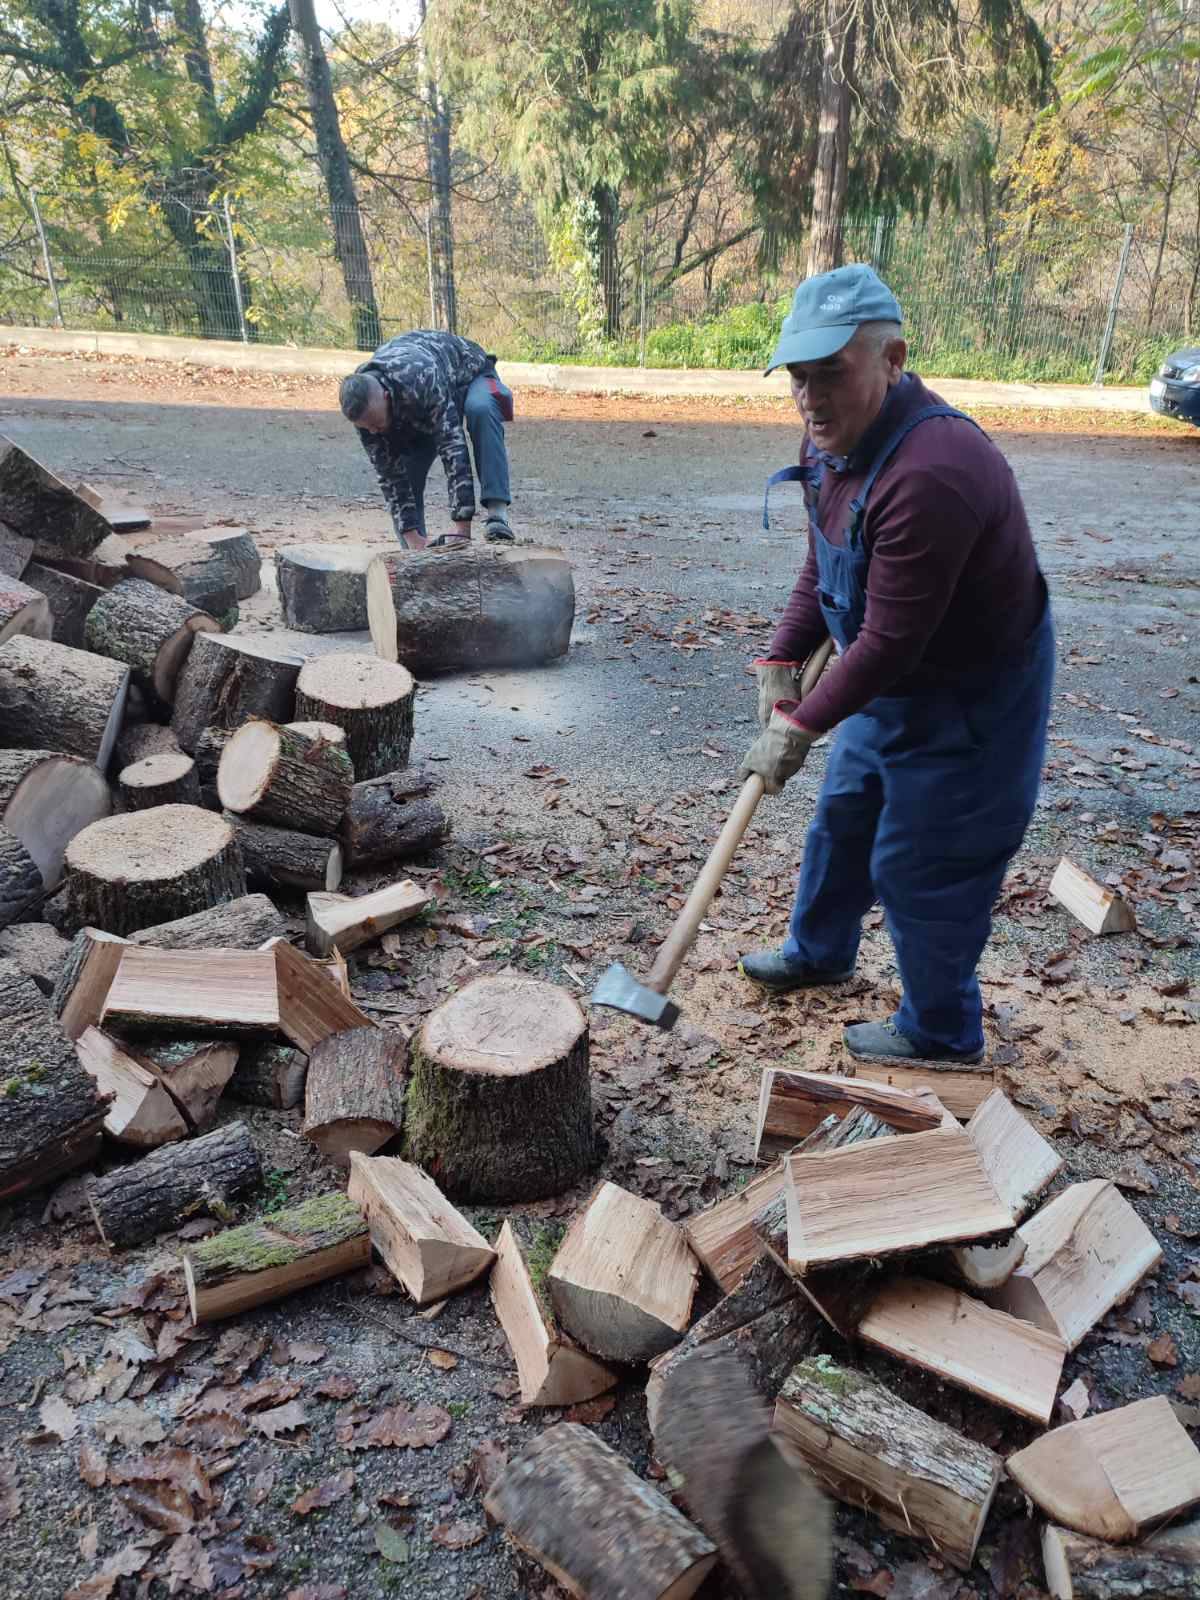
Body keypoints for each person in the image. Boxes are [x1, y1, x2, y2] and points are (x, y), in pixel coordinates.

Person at [738, 264, 1053, 1065]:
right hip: (889, 676)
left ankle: (942, 1031)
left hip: (970, 700)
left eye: (831, 373)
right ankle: (821, 952)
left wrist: (801, 724)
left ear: (891, 358)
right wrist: (782, 654)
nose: (810, 397)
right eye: (798, 378)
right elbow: (825, 563)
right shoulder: (828, 440)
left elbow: (890, 639)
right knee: (843, 819)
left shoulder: (934, 470)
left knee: (924, 863)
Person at [340, 330, 514, 550]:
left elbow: (452, 447)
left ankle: (497, 515)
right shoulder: (362, 405)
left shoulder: (419, 377)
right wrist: (412, 538)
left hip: (470, 375)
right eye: (368, 428)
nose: (373, 432)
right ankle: (417, 554)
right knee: (407, 473)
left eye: (376, 423)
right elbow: (390, 475)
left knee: (480, 408)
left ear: (386, 396)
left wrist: (462, 529)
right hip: (418, 407)